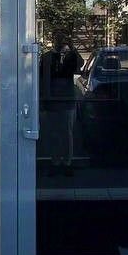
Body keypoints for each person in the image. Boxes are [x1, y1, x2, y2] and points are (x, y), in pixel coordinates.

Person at [41, 32, 83, 176]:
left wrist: (72, 48)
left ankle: (67, 162)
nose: (59, 42)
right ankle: (55, 161)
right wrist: (44, 99)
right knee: (54, 132)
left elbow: (80, 64)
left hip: (67, 98)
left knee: (67, 132)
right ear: (53, 41)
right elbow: (43, 78)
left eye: (62, 39)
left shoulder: (70, 56)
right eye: (57, 39)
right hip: (52, 98)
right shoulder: (47, 57)